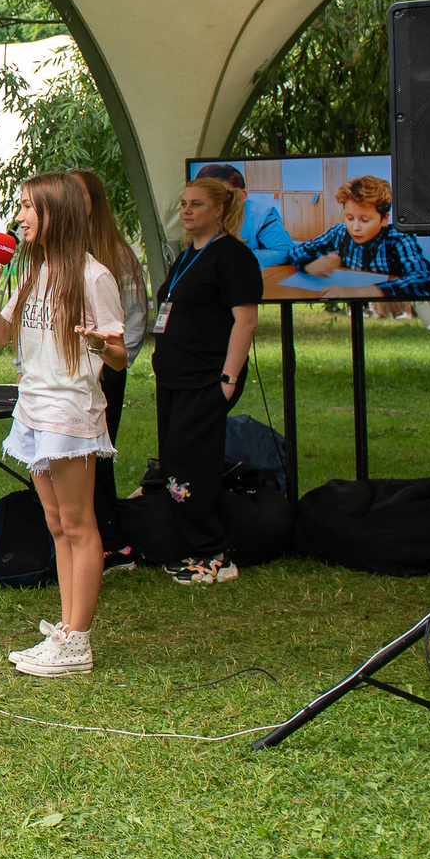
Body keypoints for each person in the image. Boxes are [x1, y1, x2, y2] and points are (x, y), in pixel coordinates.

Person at [0, 173, 126, 677]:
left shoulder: (92, 276)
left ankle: (78, 641)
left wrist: (99, 343)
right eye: (19, 207)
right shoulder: (34, 272)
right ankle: (65, 629)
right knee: (57, 523)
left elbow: (120, 356)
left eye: (27, 207)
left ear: (55, 212)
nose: (18, 217)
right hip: (33, 408)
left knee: (79, 525)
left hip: (70, 413)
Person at [151, 177, 262, 586]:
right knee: (175, 462)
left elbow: (245, 320)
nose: (186, 211)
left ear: (219, 209)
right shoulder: (186, 257)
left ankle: (214, 553)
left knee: (191, 462)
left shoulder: (232, 256)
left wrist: (228, 378)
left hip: (207, 378)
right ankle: (193, 545)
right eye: (183, 203)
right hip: (175, 378)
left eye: (196, 204)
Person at [71, 168, 149, 559]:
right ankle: (88, 539)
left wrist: (113, 364)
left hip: (104, 372)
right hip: (67, 375)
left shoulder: (115, 255)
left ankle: (110, 542)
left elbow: (133, 321)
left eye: (78, 194)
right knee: (72, 462)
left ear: (93, 203)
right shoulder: (58, 254)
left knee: (98, 457)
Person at [281, 174, 430, 301]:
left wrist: (362, 292)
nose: (355, 227)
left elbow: (427, 280)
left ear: (384, 219)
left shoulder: (398, 238)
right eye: (350, 218)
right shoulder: (339, 232)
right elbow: (296, 251)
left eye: (365, 220)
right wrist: (308, 265)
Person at [195, 161, 296, 268]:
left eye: (220, 194)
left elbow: (284, 252)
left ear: (242, 196)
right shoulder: (194, 214)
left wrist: (232, 257)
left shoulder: (262, 215)